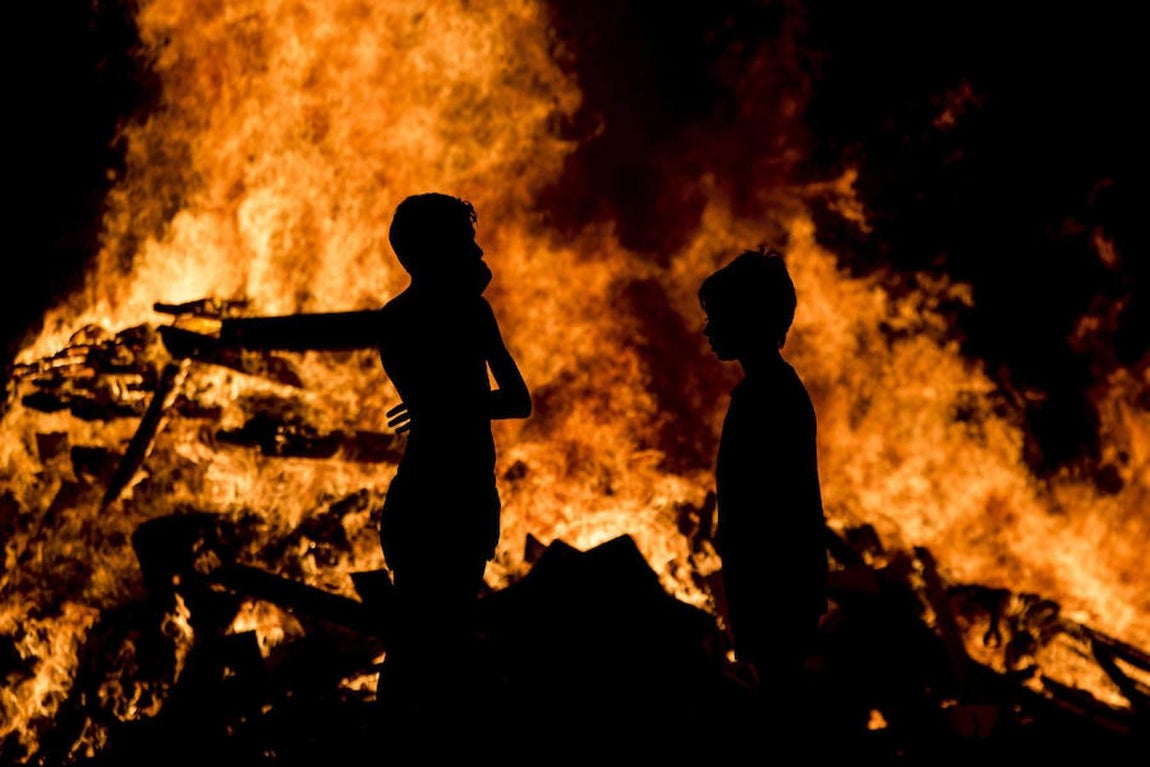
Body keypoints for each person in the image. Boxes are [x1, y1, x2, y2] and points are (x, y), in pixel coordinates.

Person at [374, 192, 531, 720]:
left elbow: (437, 404)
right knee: (439, 647)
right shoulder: (469, 313)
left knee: (416, 645)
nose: (479, 254)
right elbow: (513, 398)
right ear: (438, 254)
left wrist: (441, 405)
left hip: (426, 498)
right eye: (466, 244)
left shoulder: (396, 318)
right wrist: (452, 404)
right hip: (451, 501)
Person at [698, 248, 829, 733]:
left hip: (776, 584)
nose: (709, 332)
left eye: (717, 318)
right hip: (777, 583)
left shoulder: (768, 398)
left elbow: (776, 505)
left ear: (748, 320)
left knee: (780, 708)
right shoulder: (771, 391)